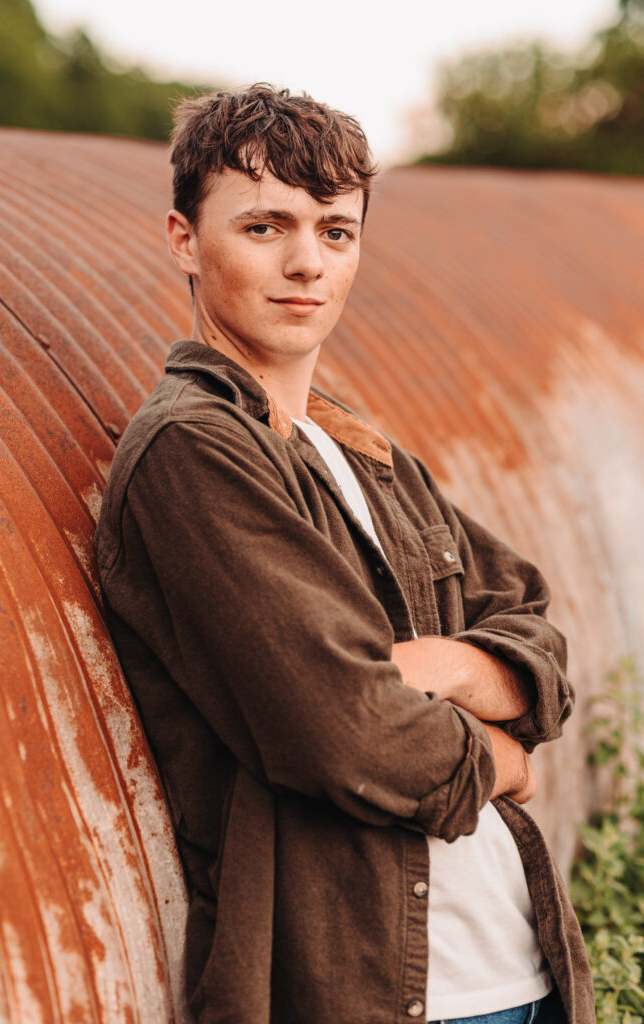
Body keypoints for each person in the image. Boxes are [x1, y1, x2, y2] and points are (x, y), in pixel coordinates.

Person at [95, 84, 595, 1024]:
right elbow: (346, 731)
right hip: (372, 989)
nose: (304, 264)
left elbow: (532, 621)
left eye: (334, 231)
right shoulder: (192, 451)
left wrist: (445, 663)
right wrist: (503, 757)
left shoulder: (357, 445)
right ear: (181, 240)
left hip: (519, 968)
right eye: (263, 227)